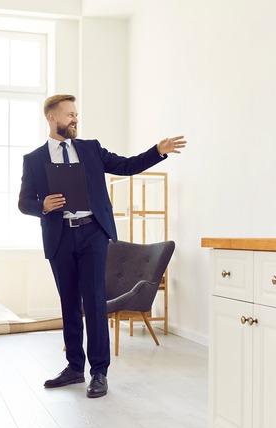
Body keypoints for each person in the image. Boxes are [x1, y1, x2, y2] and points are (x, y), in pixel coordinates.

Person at [18, 94, 186, 398]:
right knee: (69, 303)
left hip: (93, 234)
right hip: (59, 237)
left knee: (93, 302)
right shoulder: (33, 160)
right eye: (69, 115)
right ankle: (73, 368)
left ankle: (99, 372)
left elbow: (127, 165)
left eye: (76, 114)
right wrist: (42, 205)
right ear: (52, 118)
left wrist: (157, 151)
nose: (75, 119)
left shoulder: (90, 148)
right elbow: (23, 203)